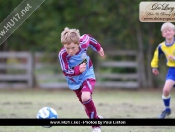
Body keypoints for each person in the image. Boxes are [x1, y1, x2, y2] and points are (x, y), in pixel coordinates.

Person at [58, 27, 105, 132]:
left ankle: (96, 126)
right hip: (74, 81)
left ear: (78, 43)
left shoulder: (83, 42)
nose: (70, 51)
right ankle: (96, 118)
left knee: (85, 97)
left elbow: (89, 37)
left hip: (88, 73)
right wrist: (77, 70)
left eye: (73, 47)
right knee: (86, 103)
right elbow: (65, 71)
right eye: (67, 48)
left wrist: (98, 47)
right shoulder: (62, 55)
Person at [151, 22, 175, 118]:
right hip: (172, 70)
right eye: (166, 31)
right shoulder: (161, 46)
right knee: (165, 90)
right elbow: (156, 56)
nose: (168, 32)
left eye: (170, 30)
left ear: (174, 32)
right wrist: (154, 67)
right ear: (163, 34)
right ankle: (167, 109)